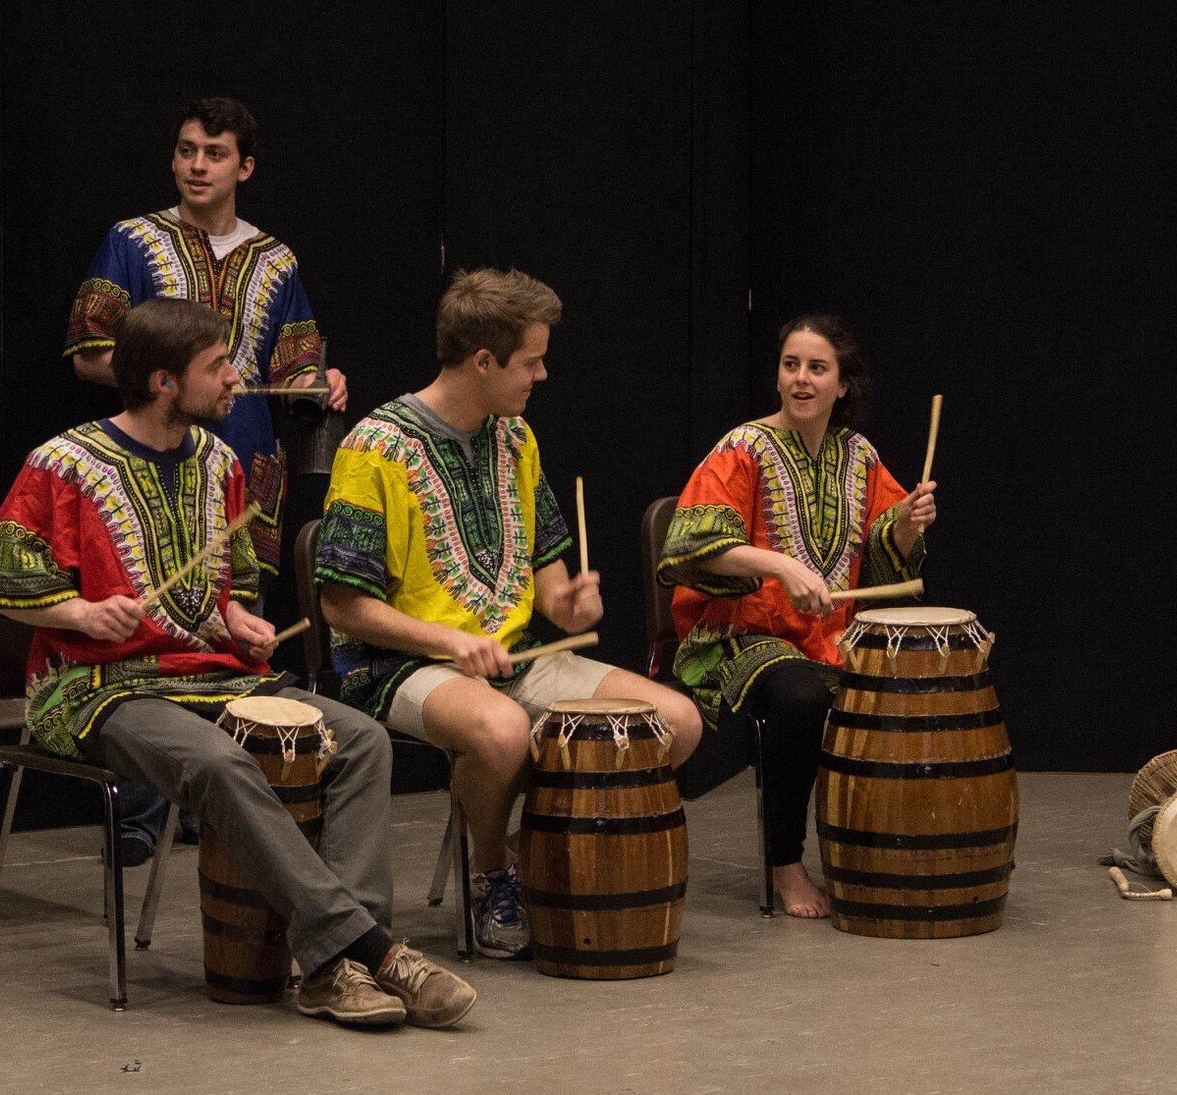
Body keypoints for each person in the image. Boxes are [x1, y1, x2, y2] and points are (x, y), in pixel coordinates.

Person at [0, 298, 473, 1027]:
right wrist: (77, 613)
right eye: (218, 366)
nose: (237, 379)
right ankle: (363, 951)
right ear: (165, 381)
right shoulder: (63, 463)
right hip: (97, 687)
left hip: (213, 673)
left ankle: (344, 961)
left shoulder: (220, 462)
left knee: (358, 739)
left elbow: (229, 590)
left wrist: (242, 621)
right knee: (217, 762)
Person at [317, 268, 703, 958]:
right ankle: (489, 872)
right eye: (532, 360)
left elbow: (549, 586)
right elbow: (342, 605)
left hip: (515, 655)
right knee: (500, 731)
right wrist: (446, 639)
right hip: (397, 666)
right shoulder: (373, 446)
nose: (543, 374)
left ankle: (541, 842)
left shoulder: (516, 439)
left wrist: (571, 600)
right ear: (484, 361)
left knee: (674, 723)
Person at [63, 97, 349, 861]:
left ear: (244, 166)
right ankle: (136, 819)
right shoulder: (134, 241)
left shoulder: (276, 260)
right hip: (149, 468)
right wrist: (158, 374)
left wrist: (325, 379)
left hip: (246, 471)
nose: (196, 165)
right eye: (186, 150)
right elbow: (89, 348)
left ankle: (221, 810)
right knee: (152, 629)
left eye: (214, 153)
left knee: (234, 627)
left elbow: (295, 366)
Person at [655, 314, 934, 918]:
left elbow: (886, 565)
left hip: (830, 635)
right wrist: (780, 567)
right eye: (790, 365)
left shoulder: (858, 456)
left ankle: (878, 853)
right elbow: (688, 546)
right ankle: (785, 862)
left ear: (842, 384)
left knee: (905, 680)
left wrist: (908, 525)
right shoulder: (742, 449)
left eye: (817, 367)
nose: (801, 379)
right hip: (739, 632)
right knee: (801, 698)